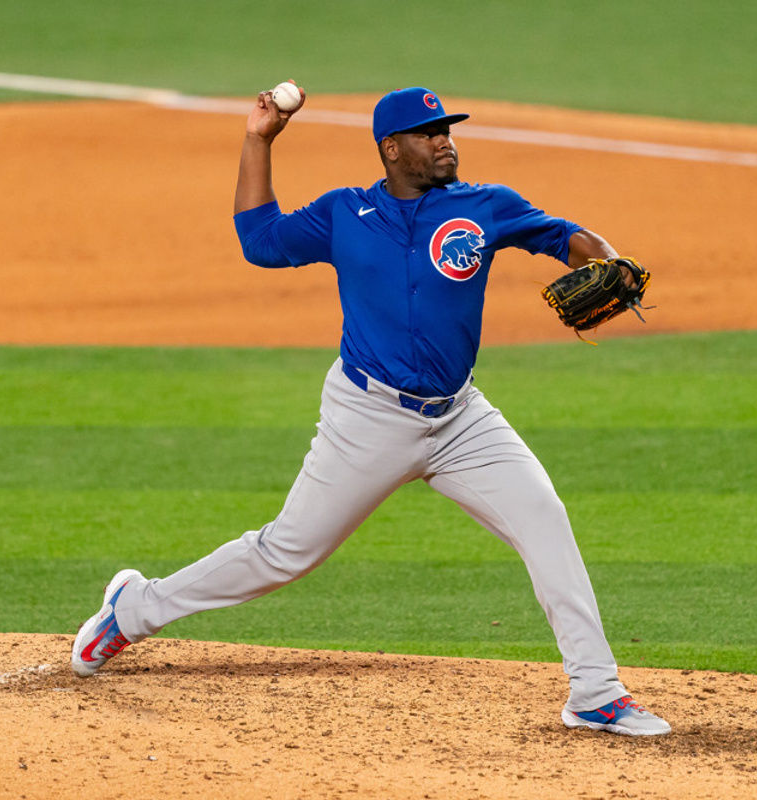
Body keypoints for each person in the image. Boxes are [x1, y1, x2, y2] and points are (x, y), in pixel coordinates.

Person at [71, 85, 671, 737]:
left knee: (543, 518)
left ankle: (594, 690)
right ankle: (132, 610)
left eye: (447, 129)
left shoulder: (485, 207)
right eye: (428, 132)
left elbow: (565, 238)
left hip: (460, 418)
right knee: (284, 554)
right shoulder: (344, 215)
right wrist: (258, 140)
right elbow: (258, 239)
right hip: (369, 417)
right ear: (392, 149)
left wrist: (605, 258)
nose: (445, 140)